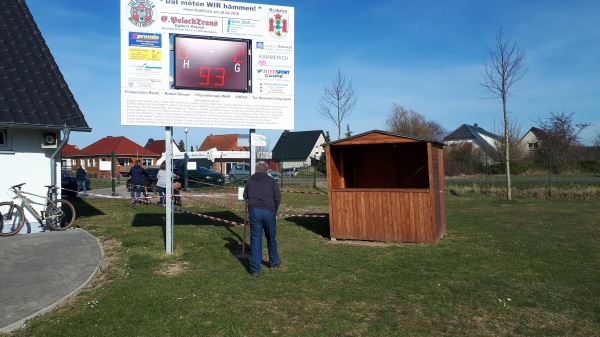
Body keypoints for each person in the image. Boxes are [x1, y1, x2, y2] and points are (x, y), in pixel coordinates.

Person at [243, 161, 281, 276]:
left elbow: (245, 196)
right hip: (269, 211)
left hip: (254, 211)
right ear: (267, 169)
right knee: (271, 237)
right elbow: (278, 197)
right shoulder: (271, 181)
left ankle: (255, 269)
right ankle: (274, 262)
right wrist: (275, 209)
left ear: (256, 169)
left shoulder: (250, 181)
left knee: (255, 239)